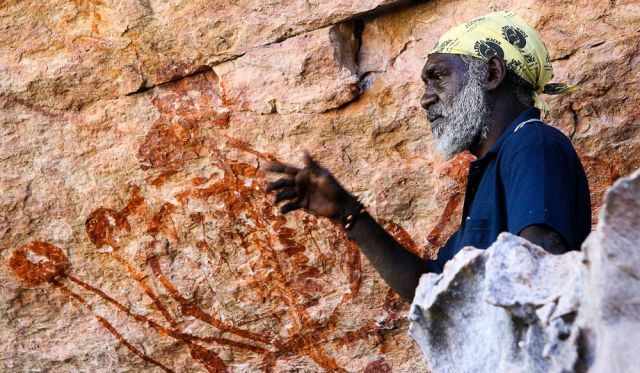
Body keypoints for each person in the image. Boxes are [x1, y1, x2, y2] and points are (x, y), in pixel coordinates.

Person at [264, 11, 591, 301]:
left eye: (438, 76)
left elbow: (542, 264)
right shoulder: (495, 166)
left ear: (492, 74)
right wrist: (348, 212)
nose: (425, 100)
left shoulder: (532, 143)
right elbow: (432, 285)